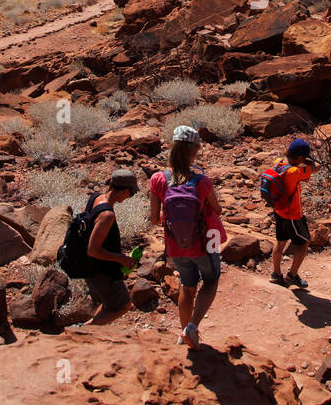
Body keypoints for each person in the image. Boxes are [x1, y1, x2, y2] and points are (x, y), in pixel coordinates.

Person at [150, 125, 226, 348]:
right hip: (204, 241)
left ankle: (185, 335)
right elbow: (218, 210)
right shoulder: (202, 181)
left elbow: (154, 218)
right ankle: (192, 327)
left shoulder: (158, 179)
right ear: (194, 151)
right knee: (211, 281)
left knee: (187, 285)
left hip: (175, 244)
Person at [83, 169, 140, 325]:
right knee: (123, 305)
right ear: (125, 190)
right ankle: (85, 333)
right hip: (101, 270)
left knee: (107, 303)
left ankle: (85, 331)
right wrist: (121, 259)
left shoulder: (95, 198)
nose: (130, 196)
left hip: (88, 266)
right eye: (132, 192)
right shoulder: (107, 215)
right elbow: (93, 249)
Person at [269, 138, 314, 289]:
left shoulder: (278, 162)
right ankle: (292, 276)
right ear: (301, 158)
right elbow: (315, 169)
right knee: (304, 242)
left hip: (279, 211)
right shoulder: (295, 172)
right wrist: (309, 162)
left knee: (280, 241)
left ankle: (276, 274)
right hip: (293, 215)